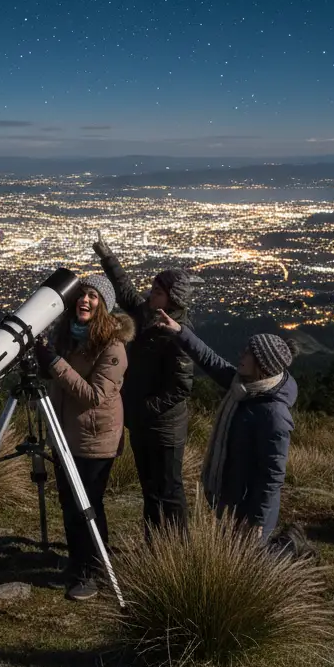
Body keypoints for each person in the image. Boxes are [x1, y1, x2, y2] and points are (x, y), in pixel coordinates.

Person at [93, 233, 202, 536]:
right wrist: (106, 255)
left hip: (164, 427)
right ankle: (153, 544)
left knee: (169, 488)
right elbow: (125, 290)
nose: (150, 293)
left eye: (157, 290)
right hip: (142, 422)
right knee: (149, 488)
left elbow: (181, 386)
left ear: (172, 298)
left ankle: (177, 548)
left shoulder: (178, 334)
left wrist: (145, 409)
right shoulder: (147, 315)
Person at [155, 311, 298, 542]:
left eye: (250, 352)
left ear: (262, 364)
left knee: (251, 564)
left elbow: (272, 475)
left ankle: (291, 548)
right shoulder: (243, 388)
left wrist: (258, 521)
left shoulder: (273, 413)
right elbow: (210, 360)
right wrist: (180, 332)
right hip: (232, 498)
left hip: (249, 509)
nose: (242, 354)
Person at [34, 274, 132, 601]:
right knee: (69, 504)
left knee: (88, 506)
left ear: (104, 305)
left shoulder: (113, 347)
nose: (85, 300)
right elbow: (60, 380)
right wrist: (43, 362)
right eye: (82, 295)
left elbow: (93, 395)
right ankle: (78, 562)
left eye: (93, 296)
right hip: (64, 435)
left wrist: (56, 364)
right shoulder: (68, 337)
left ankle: (93, 571)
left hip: (95, 439)